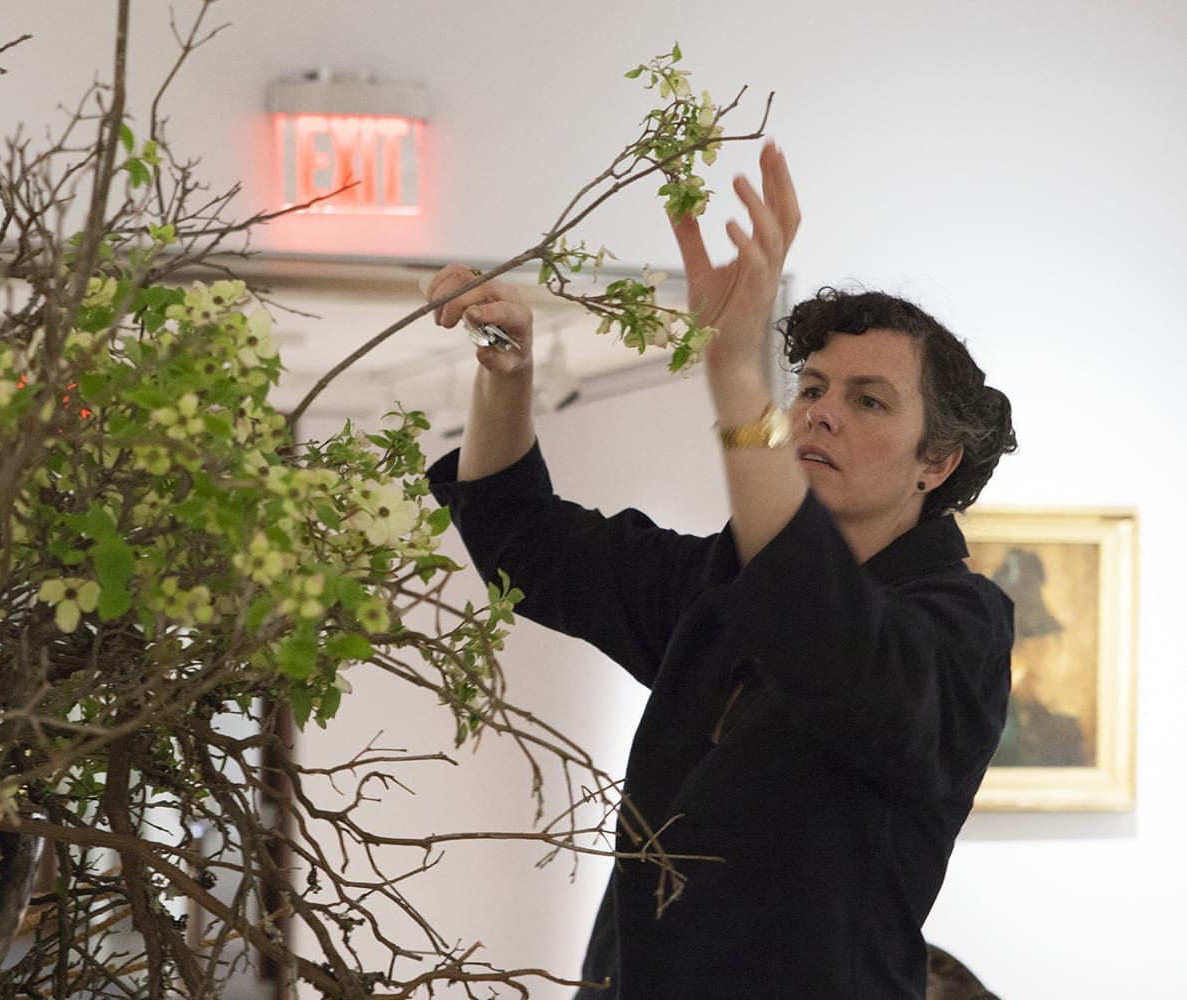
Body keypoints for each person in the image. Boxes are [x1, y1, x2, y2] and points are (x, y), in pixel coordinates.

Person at [423, 142, 1018, 998]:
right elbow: (529, 547)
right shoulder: (719, 585)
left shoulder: (958, 624)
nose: (821, 413)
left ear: (937, 463)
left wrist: (737, 373)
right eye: (810, 387)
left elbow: (830, 636)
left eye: (868, 400)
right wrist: (505, 372)